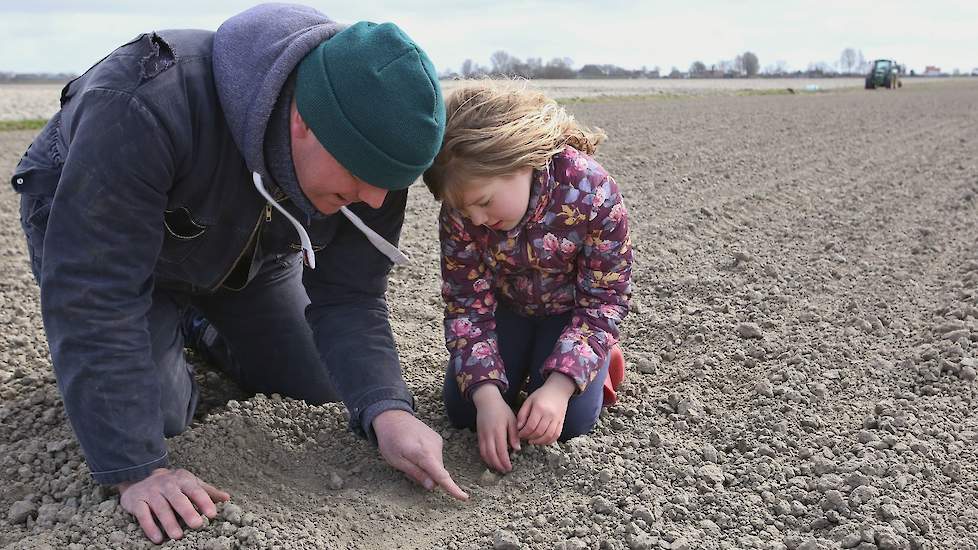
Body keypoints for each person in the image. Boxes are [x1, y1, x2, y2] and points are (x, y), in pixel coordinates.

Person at [10, 4, 467, 544]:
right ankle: (165, 324)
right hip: (120, 250)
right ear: (303, 120)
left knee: (324, 385)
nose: (373, 200)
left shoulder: (375, 159)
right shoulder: (144, 100)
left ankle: (198, 327)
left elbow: (349, 296)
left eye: (389, 186)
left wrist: (388, 409)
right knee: (156, 417)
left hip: (250, 254)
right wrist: (138, 470)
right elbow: (95, 291)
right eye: (363, 180)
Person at [422, 82, 632, 474]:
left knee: (569, 423)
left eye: (484, 202)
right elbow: (466, 304)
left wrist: (559, 386)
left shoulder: (592, 192)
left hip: (572, 318)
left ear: (522, 159)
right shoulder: (462, 210)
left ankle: (603, 360)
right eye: (465, 211)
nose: (478, 220)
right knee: (464, 410)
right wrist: (487, 397)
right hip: (508, 310)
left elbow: (605, 300)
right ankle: (519, 370)